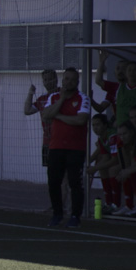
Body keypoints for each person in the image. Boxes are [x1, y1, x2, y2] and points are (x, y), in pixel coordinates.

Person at [41, 67, 91, 227]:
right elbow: (46, 115)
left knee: (74, 182)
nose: (68, 82)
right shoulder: (54, 97)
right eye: (66, 79)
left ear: (77, 82)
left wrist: (59, 116)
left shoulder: (83, 98)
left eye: (72, 79)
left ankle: (75, 216)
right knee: (53, 181)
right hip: (55, 146)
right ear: (62, 81)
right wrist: (61, 100)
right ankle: (57, 214)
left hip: (76, 148)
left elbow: (80, 120)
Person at [23, 69, 60, 169]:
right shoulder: (42, 99)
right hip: (48, 141)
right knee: (51, 171)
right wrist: (31, 93)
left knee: (63, 170)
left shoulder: (63, 94)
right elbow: (27, 110)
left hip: (62, 140)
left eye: (50, 79)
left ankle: (64, 185)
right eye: (45, 80)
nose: (47, 82)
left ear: (56, 80)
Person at [87, 113, 120, 211]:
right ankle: (109, 202)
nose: (95, 128)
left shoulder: (112, 136)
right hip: (117, 160)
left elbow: (115, 159)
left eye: (98, 125)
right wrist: (95, 167)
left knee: (112, 170)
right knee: (103, 169)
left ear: (105, 125)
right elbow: (105, 157)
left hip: (126, 160)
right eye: (93, 125)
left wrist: (94, 168)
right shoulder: (101, 138)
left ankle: (116, 204)